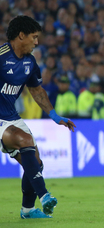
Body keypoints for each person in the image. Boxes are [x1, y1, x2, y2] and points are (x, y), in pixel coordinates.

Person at [0, 15, 76, 219]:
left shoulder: (30, 62)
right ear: (21, 35)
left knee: (35, 162)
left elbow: (37, 91)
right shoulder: (1, 57)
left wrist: (53, 115)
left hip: (10, 117)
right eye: (33, 37)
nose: (37, 42)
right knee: (26, 140)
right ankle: (44, 196)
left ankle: (27, 211)